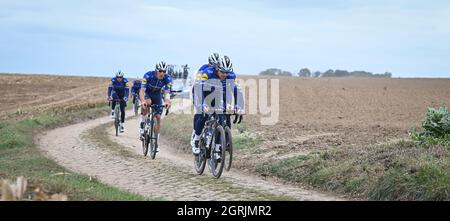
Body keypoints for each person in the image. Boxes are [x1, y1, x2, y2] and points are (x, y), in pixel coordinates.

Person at [191, 56, 244, 157]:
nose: (224, 74)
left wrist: (238, 106)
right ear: (217, 68)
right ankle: (196, 139)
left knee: (222, 116)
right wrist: (202, 105)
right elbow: (198, 89)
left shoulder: (231, 76)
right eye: (222, 72)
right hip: (203, 93)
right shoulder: (207, 73)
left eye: (227, 72)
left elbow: (238, 91)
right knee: (203, 114)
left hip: (218, 95)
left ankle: (217, 148)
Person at [139, 61, 173, 152]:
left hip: (157, 95)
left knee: (158, 117)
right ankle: (142, 125)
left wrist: (167, 101)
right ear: (156, 70)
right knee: (148, 103)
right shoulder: (148, 75)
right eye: (160, 71)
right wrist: (142, 101)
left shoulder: (167, 78)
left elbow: (167, 92)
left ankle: (156, 142)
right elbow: (142, 90)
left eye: (164, 71)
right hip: (147, 93)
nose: (162, 73)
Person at [191, 53, 221, 144]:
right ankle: (195, 132)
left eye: (216, 65)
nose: (214, 66)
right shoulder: (203, 69)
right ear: (209, 63)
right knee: (201, 112)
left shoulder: (219, 72)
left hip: (212, 92)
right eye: (213, 64)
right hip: (199, 90)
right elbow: (198, 85)